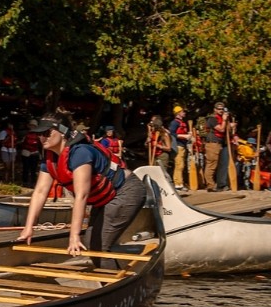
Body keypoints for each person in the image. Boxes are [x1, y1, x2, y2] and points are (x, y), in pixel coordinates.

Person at [17, 112, 146, 269]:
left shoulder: (80, 152)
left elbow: (81, 195)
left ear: (63, 131)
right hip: (105, 197)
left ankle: (117, 285)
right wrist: (28, 228)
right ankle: (122, 267)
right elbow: (40, 192)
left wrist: (74, 235)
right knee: (92, 241)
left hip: (127, 191)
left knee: (98, 246)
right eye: (40, 134)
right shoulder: (50, 157)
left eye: (47, 133)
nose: (42, 138)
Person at [204, 102, 230, 191]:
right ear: (215, 110)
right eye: (219, 109)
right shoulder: (212, 119)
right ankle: (210, 185)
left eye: (222, 109)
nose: (221, 110)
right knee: (211, 165)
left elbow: (227, 130)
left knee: (220, 165)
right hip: (212, 144)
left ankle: (220, 184)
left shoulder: (222, 118)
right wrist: (224, 120)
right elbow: (221, 129)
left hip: (219, 144)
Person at [169, 105, 191, 190]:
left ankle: (180, 182)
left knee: (181, 165)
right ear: (178, 113)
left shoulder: (181, 122)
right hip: (178, 145)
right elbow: (172, 133)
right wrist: (184, 136)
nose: (184, 113)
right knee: (179, 164)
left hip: (182, 145)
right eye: (182, 111)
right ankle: (178, 183)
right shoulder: (175, 123)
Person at [19, 119, 41, 188]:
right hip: (26, 152)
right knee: (26, 168)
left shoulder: (39, 134)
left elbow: (40, 144)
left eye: (34, 126)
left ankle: (33, 183)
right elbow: (21, 142)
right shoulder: (25, 133)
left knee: (33, 169)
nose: (32, 127)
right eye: (31, 125)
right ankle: (25, 182)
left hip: (35, 153)